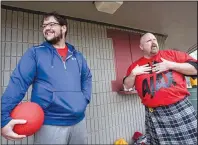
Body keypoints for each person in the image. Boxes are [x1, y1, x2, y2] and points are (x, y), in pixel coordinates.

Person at [1, 12, 92, 144]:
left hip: (79, 122)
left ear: (64, 28)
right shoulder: (35, 53)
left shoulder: (77, 56)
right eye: (44, 26)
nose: (46, 28)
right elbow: (18, 83)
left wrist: (84, 99)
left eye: (51, 24)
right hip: (49, 123)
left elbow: (87, 77)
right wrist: (2, 118)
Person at [123, 33, 197, 145]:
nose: (153, 42)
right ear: (141, 47)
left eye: (154, 39)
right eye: (148, 41)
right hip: (153, 113)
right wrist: (133, 74)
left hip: (178, 109)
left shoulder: (171, 55)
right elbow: (127, 86)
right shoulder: (135, 66)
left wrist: (171, 65)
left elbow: (195, 68)